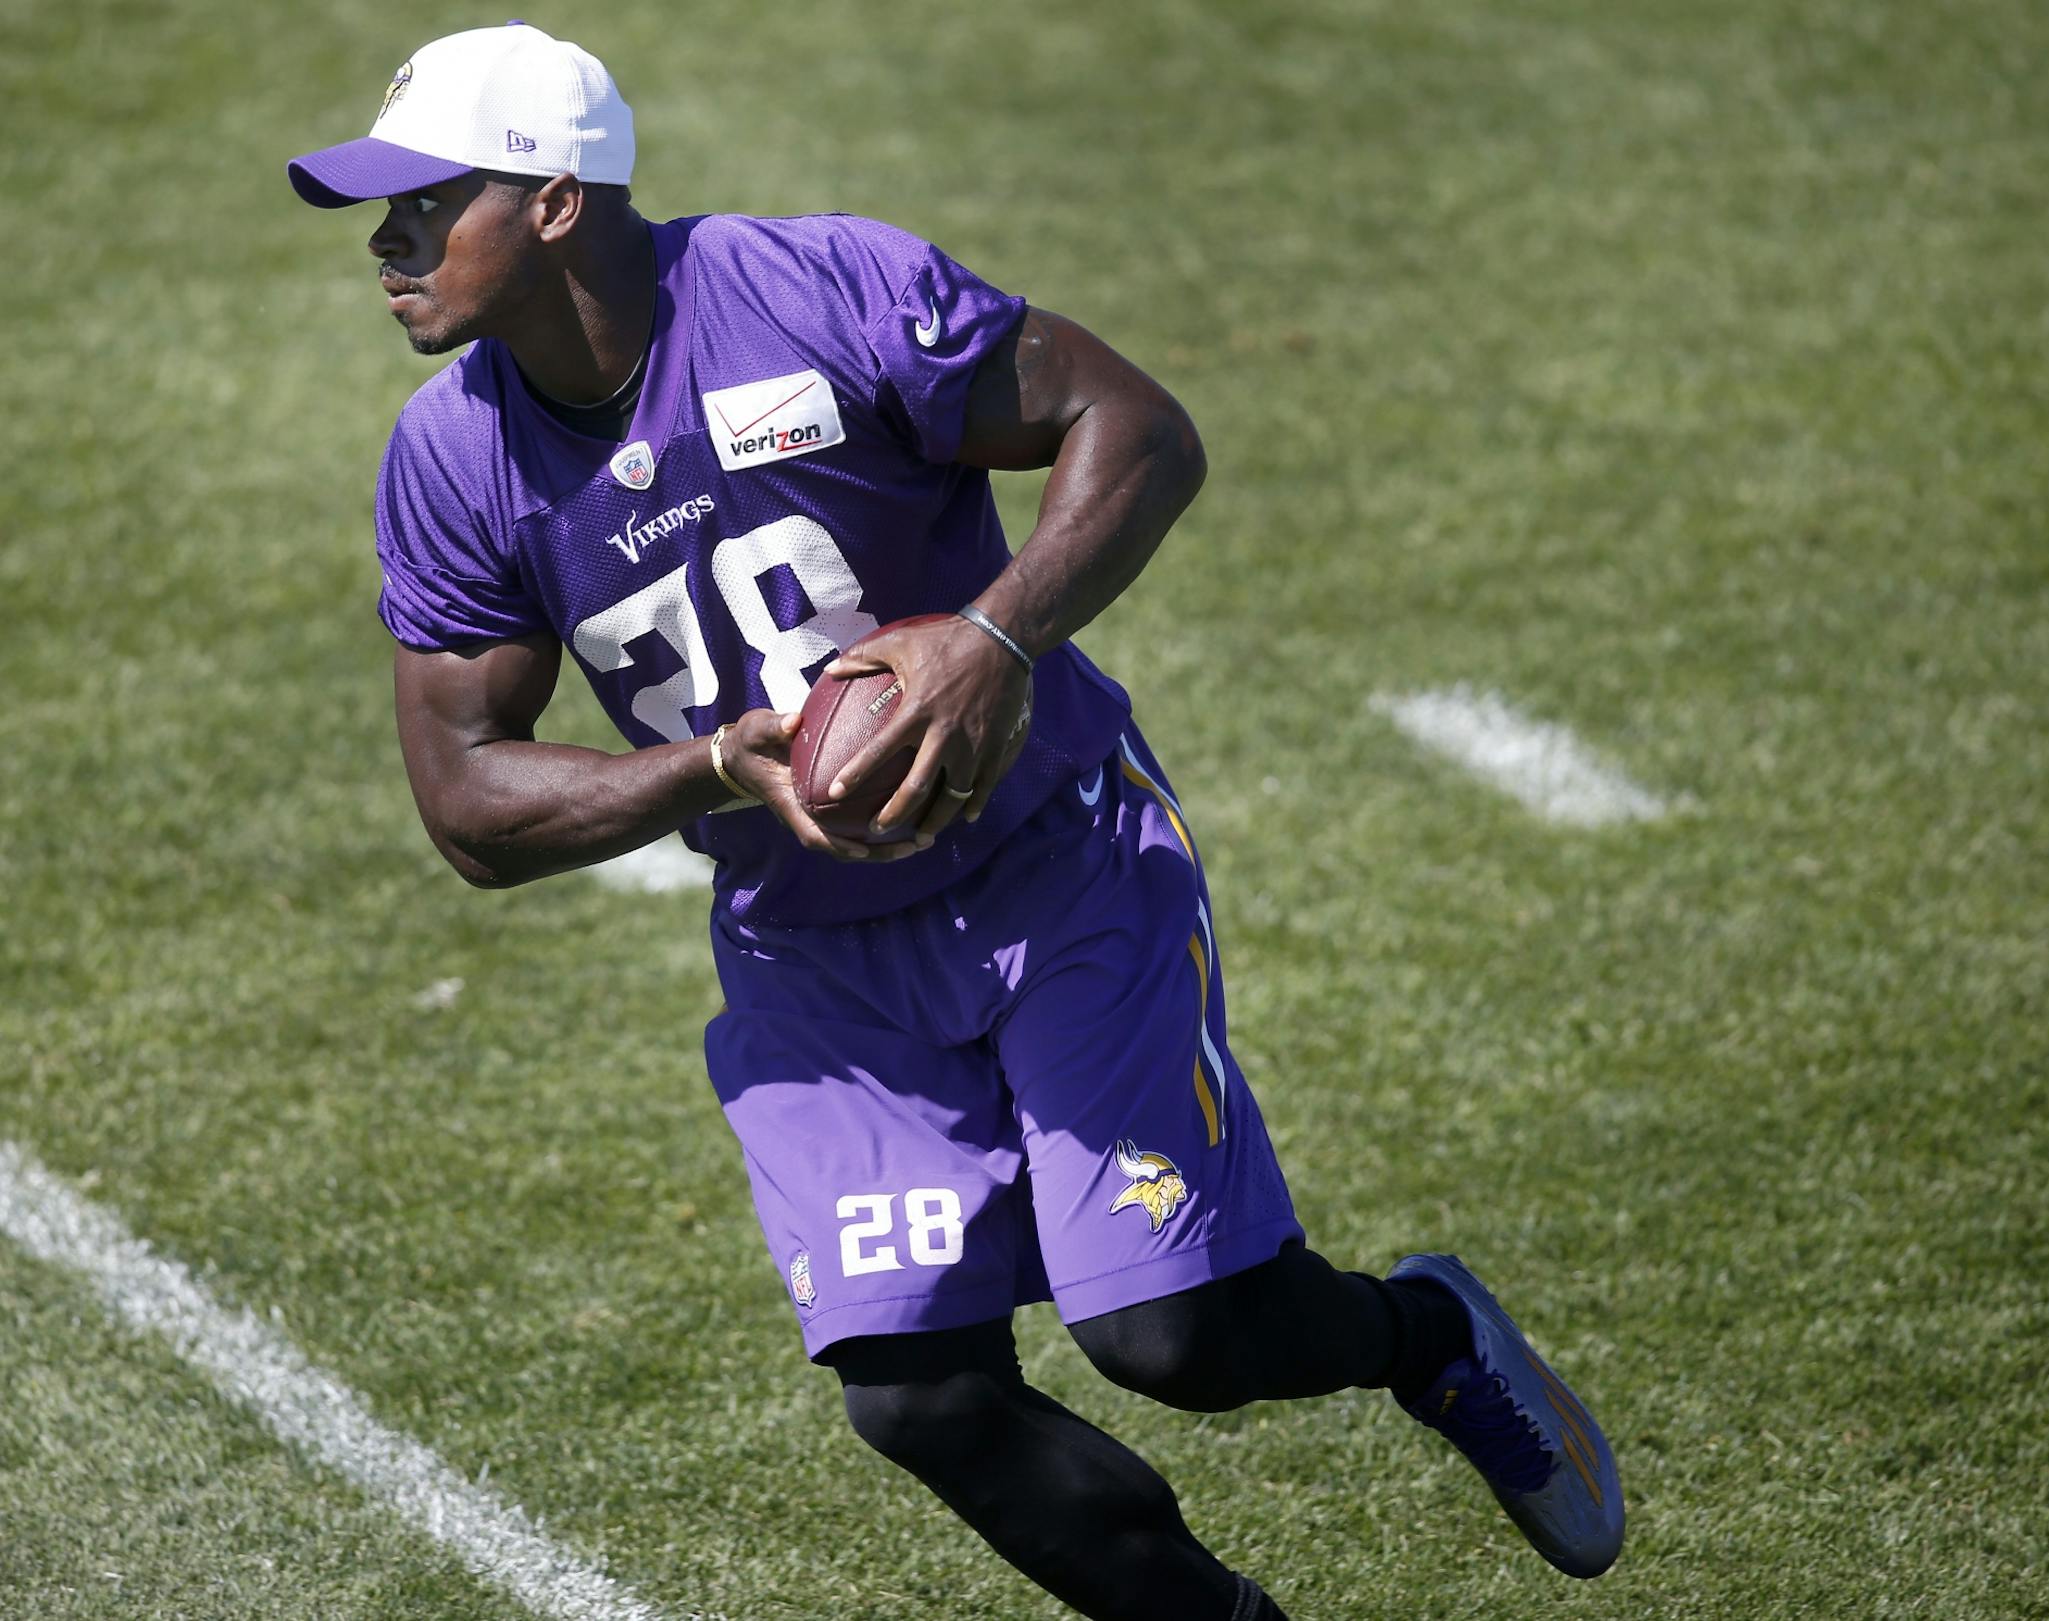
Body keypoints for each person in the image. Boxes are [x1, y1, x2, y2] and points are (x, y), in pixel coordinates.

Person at [287, 24, 1624, 1620]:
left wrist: (987, 642)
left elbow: (1137, 430)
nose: (388, 243)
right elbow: (465, 801)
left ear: (560, 200)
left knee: (1176, 1337)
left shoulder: (817, 289)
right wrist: (720, 763)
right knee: (914, 1388)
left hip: (1052, 859)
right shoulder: (452, 459)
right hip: (816, 960)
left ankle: (1425, 1335)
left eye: (426, 202)